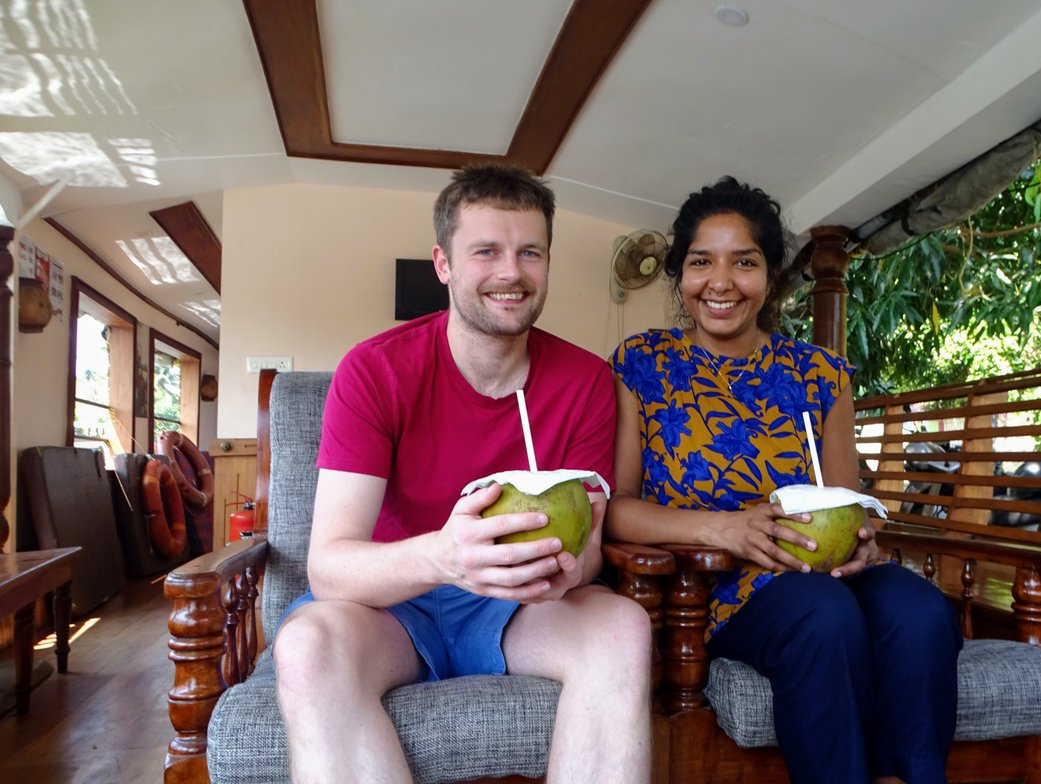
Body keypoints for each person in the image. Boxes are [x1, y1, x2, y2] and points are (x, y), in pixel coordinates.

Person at [273, 164, 652, 783]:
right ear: (443, 264)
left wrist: (567, 570)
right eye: (486, 251)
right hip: (393, 608)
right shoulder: (373, 372)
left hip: (520, 609)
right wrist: (447, 557)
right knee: (306, 646)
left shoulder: (585, 381)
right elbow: (330, 565)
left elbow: (587, 550)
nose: (511, 272)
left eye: (530, 252)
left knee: (622, 627)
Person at [608, 176, 962, 784]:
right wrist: (724, 529)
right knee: (822, 615)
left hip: (826, 572)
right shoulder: (643, 363)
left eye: (744, 262)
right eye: (701, 262)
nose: (721, 282)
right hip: (718, 584)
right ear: (680, 275)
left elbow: (847, 502)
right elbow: (618, 508)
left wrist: (862, 539)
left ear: (771, 276)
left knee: (923, 612)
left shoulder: (821, 374)